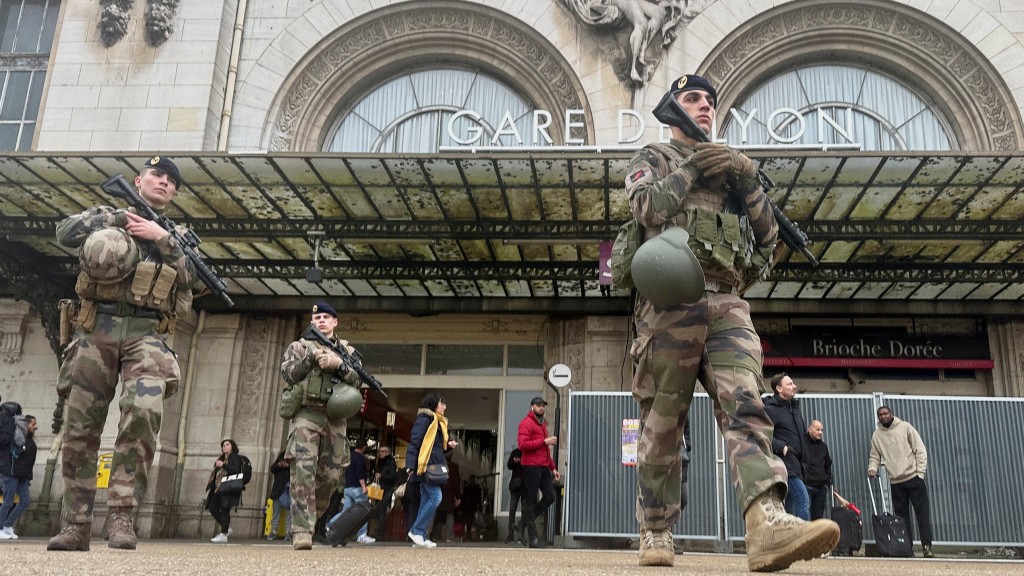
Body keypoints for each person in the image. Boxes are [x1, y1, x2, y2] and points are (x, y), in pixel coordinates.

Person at [625, 74, 839, 570]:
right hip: (668, 302)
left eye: (710, 101)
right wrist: (695, 166)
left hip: (727, 302)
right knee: (662, 426)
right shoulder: (653, 158)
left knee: (747, 405)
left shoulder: (735, 174)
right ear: (673, 107)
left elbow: (767, 239)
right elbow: (646, 207)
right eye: (693, 99)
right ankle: (656, 530)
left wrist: (745, 176)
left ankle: (765, 518)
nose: (704, 107)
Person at [47, 156, 198, 552]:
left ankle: (121, 515)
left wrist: (159, 237)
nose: (164, 183)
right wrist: (114, 220)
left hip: (147, 333)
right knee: (80, 424)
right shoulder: (108, 213)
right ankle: (75, 523)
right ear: (138, 180)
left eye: (171, 181)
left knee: (145, 414)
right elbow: (63, 232)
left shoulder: (177, 233)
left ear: (175, 193)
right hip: (97, 327)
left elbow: (193, 277)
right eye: (157, 176)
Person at [280, 301, 362, 550]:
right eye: (317, 318)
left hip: (336, 418)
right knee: (303, 470)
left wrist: (339, 365)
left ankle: (311, 521)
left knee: (331, 476)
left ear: (335, 322)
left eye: (327, 317)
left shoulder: (346, 350)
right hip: (307, 414)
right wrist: (310, 360)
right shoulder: (299, 346)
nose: (322, 321)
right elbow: (287, 374)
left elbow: (358, 380)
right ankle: (302, 531)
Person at [868, 406, 934, 558]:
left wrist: (920, 473)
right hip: (896, 482)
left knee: (922, 515)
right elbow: (874, 456)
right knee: (902, 519)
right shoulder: (877, 435)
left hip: (913, 478)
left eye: (885, 413)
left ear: (891, 414)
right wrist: (872, 468)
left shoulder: (905, 427)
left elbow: (920, 449)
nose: (883, 416)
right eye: (880, 415)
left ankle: (927, 546)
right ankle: (906, 548)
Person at [405, 392, 458, 548]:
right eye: (442, 403)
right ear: (434, 404)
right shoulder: (425, 420)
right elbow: (415, 443)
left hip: (431, 464)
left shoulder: (438, 423)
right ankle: (416, 531)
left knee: (426, 499)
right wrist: (410, 465)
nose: (444, 407)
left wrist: (448, 445)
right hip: (425, 466)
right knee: (436, 497)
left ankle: (419, 535)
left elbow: (436, 447)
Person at [764, 373, 810, 520]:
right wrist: (781, 447)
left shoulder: (794, 408)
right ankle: (804, 539)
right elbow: (761, 434)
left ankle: (788, 539)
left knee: (790, 506)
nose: (794, 386)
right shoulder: (770, 409)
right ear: (779, 388)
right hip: (785, 463)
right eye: (789, 384)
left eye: (792, 383)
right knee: (803, 500)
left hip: (798, 463)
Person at [516, 396, 560, 548]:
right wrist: (543, 441)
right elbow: (522, 445)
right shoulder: (526, 423)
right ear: (532, 406)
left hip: (543, 466)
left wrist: (553, 467)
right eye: (539, 405)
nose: (542, 408)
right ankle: (533, 538)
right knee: (531, 500)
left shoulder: (543, 424)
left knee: (550, 496)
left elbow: (546, 450)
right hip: (530, 467)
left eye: (543, 405)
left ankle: (522, 524)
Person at [0, 414, 36, 539]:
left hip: (22, 476)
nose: (35, 427)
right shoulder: (18, 438)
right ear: (26, 424)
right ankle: (0, 527)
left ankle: (7, 525)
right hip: (12, 474)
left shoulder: (27, 439)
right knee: (8, 502)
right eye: (33, 424)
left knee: (25, 501)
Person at [206, 439, 243, 543]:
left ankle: (223, 533)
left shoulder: (234, 456)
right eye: (223, 445)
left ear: (232, 446)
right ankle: (225, 528)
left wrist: (222, 465)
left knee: (224, 510)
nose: (224, 447)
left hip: (228, 487)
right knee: (213, 507)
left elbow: (235, 470)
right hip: (220, 487)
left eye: (227, 445)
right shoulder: (224, 458)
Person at [342, 440, 375, 544]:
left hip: (347, 487)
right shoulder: (361, 458)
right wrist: (364, 486)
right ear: (363, 447)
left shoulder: (349, 456)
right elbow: (360, 473)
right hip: (357, 488)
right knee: (363, 511)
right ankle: (362, 534)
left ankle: (331, 526)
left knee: (346, 511)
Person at [802, 420, 833, 521]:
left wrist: (827, 485)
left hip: (820, 488)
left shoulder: (823, 447)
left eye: (822, 430)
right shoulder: (802, 444)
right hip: (805, 486)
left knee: (817, 518)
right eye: (817, 429)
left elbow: (828, 465)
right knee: (803, 515)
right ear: (809, 429)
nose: (820, 432)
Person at [373, 445, 399, 541]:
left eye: (382, 451)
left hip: (386, 490)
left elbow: (393, 477)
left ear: (387, 452)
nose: (380, 452)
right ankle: (378, 531)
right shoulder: (380, 462)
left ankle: (380, 533)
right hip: (379, 490)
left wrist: (381, 475)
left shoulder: (391, 462)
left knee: (382, 511)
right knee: (378, 511)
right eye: (379, 450)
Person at [267, 450, 291, 540]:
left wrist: (288, 466)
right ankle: (273, 531)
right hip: (279, 490)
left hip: (288, 490)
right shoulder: (281, 457)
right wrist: (279, 465)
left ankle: (288, 532)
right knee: (276, 513)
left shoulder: (294, 463)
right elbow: (272, 469)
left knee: (289, 514)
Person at [505, 448, 525, 543]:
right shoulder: (515, 452)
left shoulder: (527, 452)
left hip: (525, 485)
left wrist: (521, 461)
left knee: (524, 511)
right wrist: (514, 461)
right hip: (516, 485)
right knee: (512, 510)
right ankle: (510, 535)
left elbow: (529, 466)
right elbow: (509, 466)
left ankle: (521, 535)